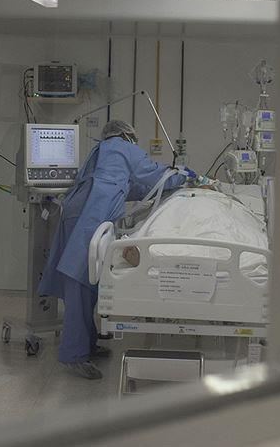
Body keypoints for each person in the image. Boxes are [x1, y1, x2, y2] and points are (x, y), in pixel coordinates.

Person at [38, 120, 196, 379]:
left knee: (87, 286)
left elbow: (131, 186)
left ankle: (87, 344)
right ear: (126, 135)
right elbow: (152, 173)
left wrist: (172, 185)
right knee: (79, 285)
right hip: (90, 215)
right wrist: (183, 175)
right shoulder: (120, 147)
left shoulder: (104, 152)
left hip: (81, 211)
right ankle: (73, 356)